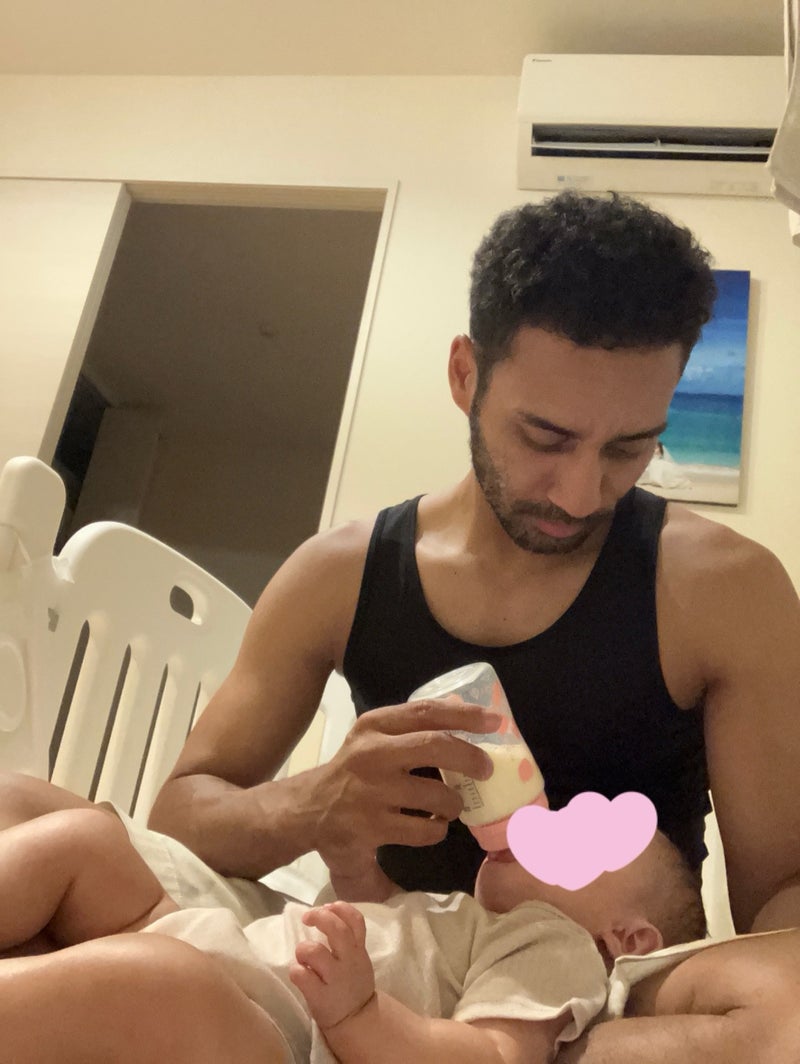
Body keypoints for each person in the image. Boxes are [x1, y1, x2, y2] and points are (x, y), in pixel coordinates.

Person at [2, 189, 800, 1058]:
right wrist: (312, 805)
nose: (581, 493)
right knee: (24, 810)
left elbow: (781, 902)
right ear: (466, 376)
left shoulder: (722, 589)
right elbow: (182, 815)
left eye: (629, 448)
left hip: (578, 984)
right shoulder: (340, 574)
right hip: (372, 945)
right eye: (545, 437)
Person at [0, 804, 709, 1063]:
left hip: (272, 1033)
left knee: (158, 986)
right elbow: (384, 929)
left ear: (628, 939)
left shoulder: (559, 945)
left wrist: (360, 1014)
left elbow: (489, 1056)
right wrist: (353, 870)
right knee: (88, 842)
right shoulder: (470, 921)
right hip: (226, 947)